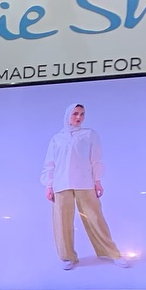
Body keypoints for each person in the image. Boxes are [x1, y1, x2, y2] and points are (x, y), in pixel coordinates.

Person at [41, 103, 130, 271]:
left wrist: (97, 181)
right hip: (61, 183)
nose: (79, 117)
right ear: (68, 115)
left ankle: (112, 253)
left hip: (85, 182)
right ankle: (67, 256)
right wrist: (49, 185)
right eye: (75, 113)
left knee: (95, 218)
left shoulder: (89, 135)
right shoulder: (57, 138)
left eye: (82, 114)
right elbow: (50, 163)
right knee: (61, 222)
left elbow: (95, 159)